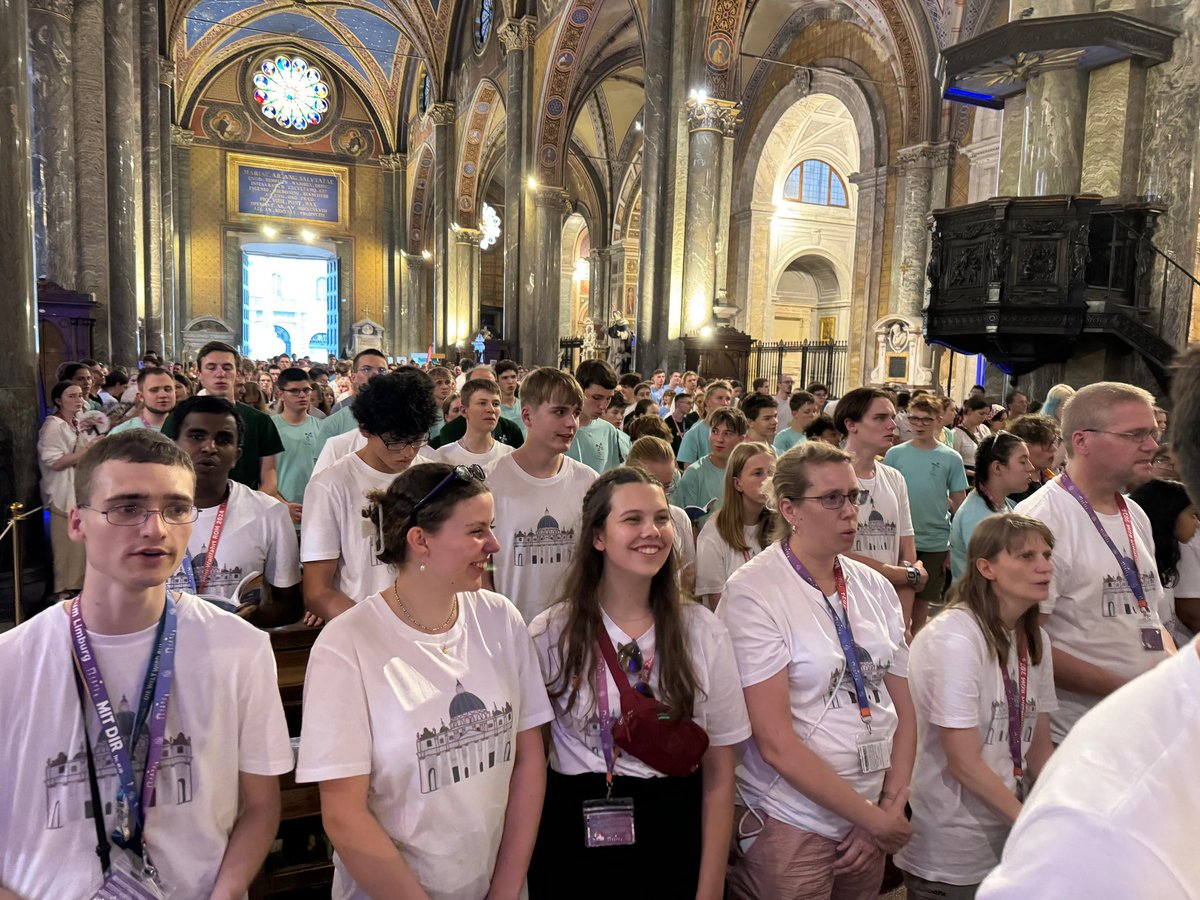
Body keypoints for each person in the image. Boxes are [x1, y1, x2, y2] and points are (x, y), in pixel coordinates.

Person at [0, 430, 293, 898]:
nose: (155, 528)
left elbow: (260, 806)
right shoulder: (11, 661)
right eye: (127, 507)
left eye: (176, 509)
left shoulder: (240, 647)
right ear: (77, 522)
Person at [296, 462, 553, 899]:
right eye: (476, 531)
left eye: (492, 527)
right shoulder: (346, 644)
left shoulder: (499, 618)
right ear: (420, 541)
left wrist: (507, 887)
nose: (493, 543)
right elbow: (343, 814)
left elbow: (530, 758)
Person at [527, 467, 751, 900]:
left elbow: (721, 773)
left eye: (662, 518)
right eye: (632, 519)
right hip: (575, 828)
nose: (652, 531)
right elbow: (531, 762)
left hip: (674, 827)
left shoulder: (702, 631)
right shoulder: (550, 632)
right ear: (598, 536)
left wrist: (709, 888)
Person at [719, 441, 915, 899]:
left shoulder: (873, 585)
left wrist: (886, 808)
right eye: (832, 498)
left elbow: (904, 709)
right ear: (790, 509)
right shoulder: (755, 592)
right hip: (791, 817)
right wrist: (877, 821)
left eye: (854, 496)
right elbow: (775, 743)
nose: (850, 511)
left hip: (869, 814)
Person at [896, 514, 1057, 898]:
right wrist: (1032, 823)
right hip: (954, 849)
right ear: (986, 567)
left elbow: (1038, 745)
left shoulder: (1034, 638)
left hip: (1010, 839)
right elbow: (963, 763)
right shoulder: (954, 637)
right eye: (1026, 556)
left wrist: (1058, 810)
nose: (1044, 566)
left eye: (1047, 554)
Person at [1013, 381, 1170, 744]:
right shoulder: (1042, 519)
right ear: (1082, 441)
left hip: (1142, 724)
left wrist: (1173, 673)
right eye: (1136, 435)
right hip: (1075, 735)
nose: (1152, 446)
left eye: (1153, 433)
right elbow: (1025, 640)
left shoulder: (1134, 514)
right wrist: (1130, 690)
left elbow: (1148, 616)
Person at [302, 369, 438, 622]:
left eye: (416, 439)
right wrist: (377, 627)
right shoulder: (330, 485)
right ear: (365, 430)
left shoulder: (433, 477)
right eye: (395, 441)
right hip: (364, 628)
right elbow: (317, 591)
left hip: (430, 623)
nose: (408, 452)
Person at [164, 396, 303, 626]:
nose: (210, 447)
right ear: (173, 446)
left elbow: (290, 606)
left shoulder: (269, 513)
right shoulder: (144, 512)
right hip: (163, 652)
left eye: (223, 439)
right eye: (197, 436)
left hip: (237, 650)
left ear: (236, 456)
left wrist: (248, 617)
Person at [484, 367, 597, 623]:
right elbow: (481, 565)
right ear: (527, 415)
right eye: (559, 412)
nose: (571, 423)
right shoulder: (490, 481)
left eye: (576, 413)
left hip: (572, 629)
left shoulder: (588, 481)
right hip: (510, 629)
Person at [834, 387, 925, 638]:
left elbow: (906, 549)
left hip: (890, 608)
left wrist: (903, 620)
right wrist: (900, 574)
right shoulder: (830, 478)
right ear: (851, 424)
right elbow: (834, 553)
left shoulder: (894, 478)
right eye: (880, 418)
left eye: (893, 417)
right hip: (846, 603)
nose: (892, 426)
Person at [885, 394, 968, 631]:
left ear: (939, 420)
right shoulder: (895, 454)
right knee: (897, 599)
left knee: (923, 602)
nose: (919, 424)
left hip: (935, 539)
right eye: (914, 419)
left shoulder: (951, 457)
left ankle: (918, 647)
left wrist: (954, 543)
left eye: (926, 419)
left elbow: (959, 503)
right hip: (899, 537)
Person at [169, 341, 283, 495]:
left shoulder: (260, 421)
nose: (220, 373)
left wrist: (256, 506)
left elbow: (269, 476)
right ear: (200, 374)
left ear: (238, 374)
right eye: (211, 367)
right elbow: (167, 467)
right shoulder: (180, 417)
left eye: (227, 367)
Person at [694, 442, 776, 609]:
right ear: (738, 484)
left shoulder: (782, 526)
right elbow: (716, 608)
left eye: (771, 473)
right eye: (758, 473)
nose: (767, 480)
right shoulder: (714, 533)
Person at [950, 434, 1035, 582]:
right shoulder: (975, 517)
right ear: (997, 467)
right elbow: (991, 575)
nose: (1030, 467)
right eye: (1022, 461)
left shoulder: (1006, 504)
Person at [1129, 477, 1200, 647]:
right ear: (1169, 514)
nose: (1197, 524)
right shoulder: (1140, 564)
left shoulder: (1165, 562)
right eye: (1193, 515)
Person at [39, 381, 93, 595]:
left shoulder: (76, 422)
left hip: (78, 491)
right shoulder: (54, 425)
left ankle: (79, 589)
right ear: (59, 400)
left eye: (80, 395)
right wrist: (87, 451)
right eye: (71, 396)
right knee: (66, 549)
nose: (78, 400)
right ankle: (63, 593)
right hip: (62, 493)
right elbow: (54, 461)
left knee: (79, 550)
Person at [626, 436, 695, 591]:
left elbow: (688, 571)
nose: (661, 494)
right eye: (653, 484)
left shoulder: (679, 517)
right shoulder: (616, 520)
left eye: (667, 485)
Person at [271, 367, 322, 529]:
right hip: (277, 515)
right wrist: (282, 505)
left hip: (316, 515)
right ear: (280, 394)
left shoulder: (322, 428)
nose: (302, 395)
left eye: (306, 390)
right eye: (294, 391)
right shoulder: (269, 428)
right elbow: (260, 476)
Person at [673, 408, 747, 514]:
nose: (719, 439)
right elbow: (683, 520)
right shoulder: (694, 473)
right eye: (715, 431)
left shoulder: (747, 470)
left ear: (741, 439)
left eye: (727, 433)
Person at [436, 378, 516, 468]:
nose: (491, 409)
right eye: (482, 403)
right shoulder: (443, 456)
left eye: (496, 404)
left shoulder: (510, 455)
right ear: (463, 411)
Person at [317, 349, 390, 443]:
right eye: (367, 369)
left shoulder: (396, 411)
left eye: (382, 370)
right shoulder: (340, 411)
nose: (375, 374)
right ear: (353, 377)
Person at [567, 358, 626, 473]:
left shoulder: (608, 431)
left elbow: (611, 476)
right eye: (596, 398)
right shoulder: (558, 427)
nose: (603, 406)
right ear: (578, 390)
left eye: (608, 398)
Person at [1005, 414, 1062, 503]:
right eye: (1045, 443)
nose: (1054, 448)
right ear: (1023, 446)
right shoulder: (1015, 490)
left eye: (1054, 441)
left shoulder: (1051, 478)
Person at [677, 380, 734, 466]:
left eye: (728, 399)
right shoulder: (693, 434)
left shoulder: (735, 431)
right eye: (720, 398)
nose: (725, 403)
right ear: (707, 402)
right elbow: (688, 473)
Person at [109, 367, 179, 435]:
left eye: (167, 389)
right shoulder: (122, 433)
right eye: (154, 390)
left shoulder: (184, 428)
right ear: (141, 396)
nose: (163, 395)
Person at [953, 395, 993, 483]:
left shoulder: (984, 429)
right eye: (981, 413)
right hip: (967, 479)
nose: (984, 417)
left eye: (987, 414)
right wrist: (973, 474)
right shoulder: (956, 434)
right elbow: (953, 465)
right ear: (970, 411)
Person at [496, 358, 525, 434]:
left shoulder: (524, 405)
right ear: (497, 381)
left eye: (513, 377)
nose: (510, 381)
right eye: (505, 378)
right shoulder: (494, 409)